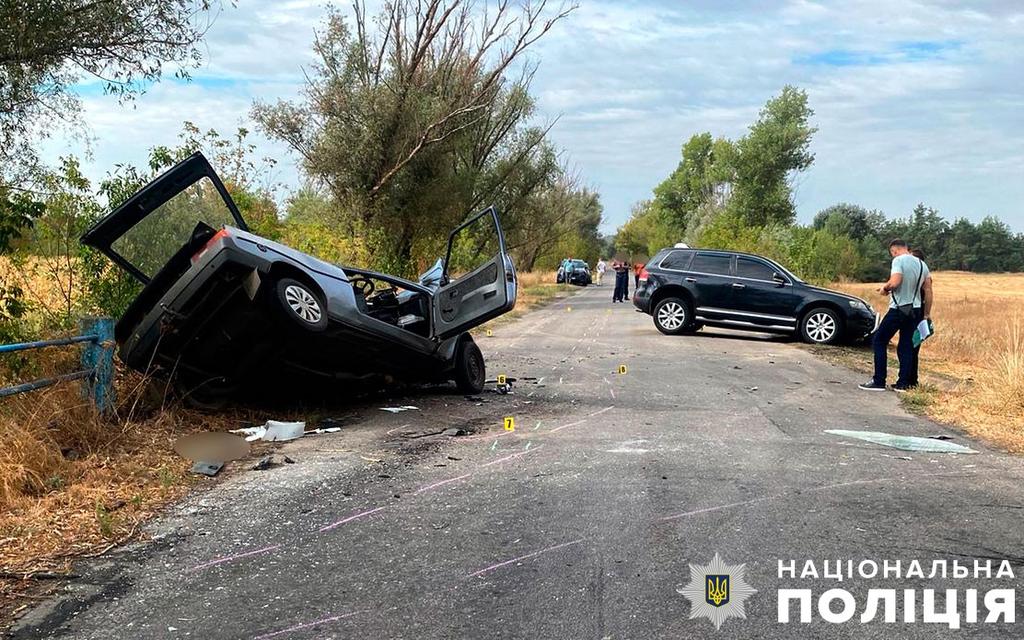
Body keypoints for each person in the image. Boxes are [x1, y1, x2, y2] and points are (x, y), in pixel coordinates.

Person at [859, 239, 932, 392]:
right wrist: (926, 314)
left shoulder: (899, 260)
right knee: (906, 345)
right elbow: (928, 291)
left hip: (899, 308)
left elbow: (895, 282)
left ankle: (879, 380)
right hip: (916, 309)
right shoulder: (922, 265)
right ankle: (903, 383)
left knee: (879, 340)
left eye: (892, 253)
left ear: (894, 250)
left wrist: (884, 288)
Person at [907, 248, 934, 387]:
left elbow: (928, 293)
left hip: (916, 312)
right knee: (913, 346)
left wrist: (925, 314)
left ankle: (909, 380)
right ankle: (911, 379)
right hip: (921, 312)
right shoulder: (925, 274)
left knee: (910, 346)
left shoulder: (920, 275)